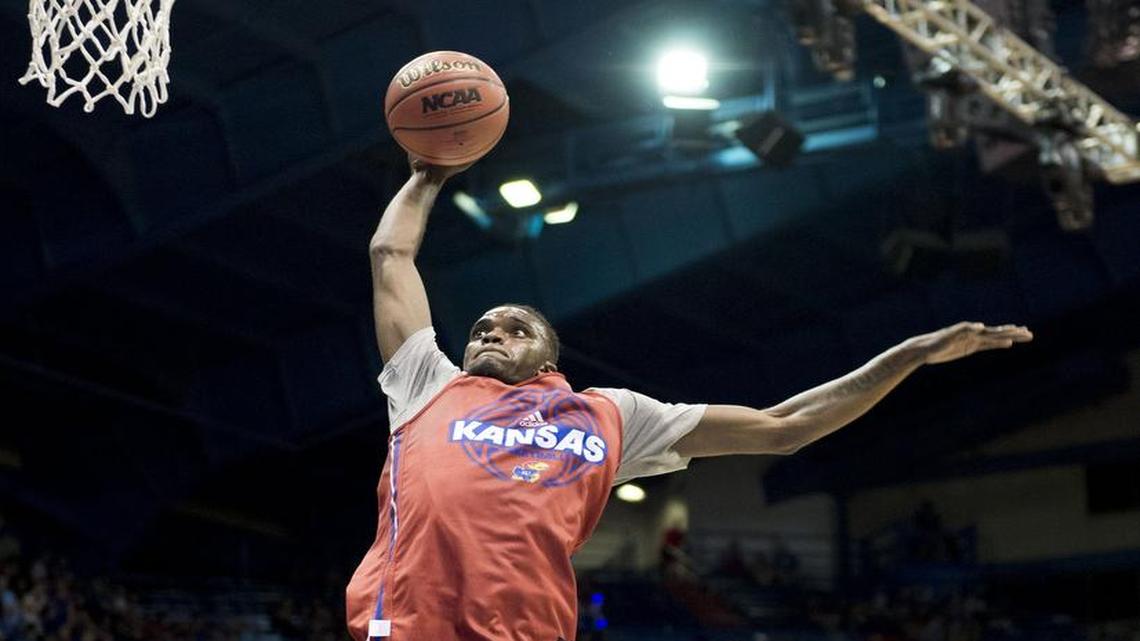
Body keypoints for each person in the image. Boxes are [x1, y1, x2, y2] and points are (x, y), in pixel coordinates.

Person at [344, 158, 1034, 641]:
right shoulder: (426, 384)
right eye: (481, 328)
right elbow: (390, 257)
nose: (492, 331)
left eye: (514, 326)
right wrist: (428, 173)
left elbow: (782, 426)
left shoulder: (609, 413)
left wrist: (908, 356)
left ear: (549, 357)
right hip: (410, 627)